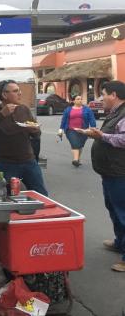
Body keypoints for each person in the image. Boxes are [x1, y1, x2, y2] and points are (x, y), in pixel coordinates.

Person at [76, 81, 125, 272]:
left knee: (122, 212)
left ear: (114, 94)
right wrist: (96, 134)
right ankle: (120, 242)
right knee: (113, 209)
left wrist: (101, 136)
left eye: (103, 94)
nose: (100, 98)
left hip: (119, 172)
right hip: (110, 171)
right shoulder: (115, 112)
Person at [0, 80, 48, 195]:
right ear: (4, 95)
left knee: (41, 194)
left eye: (19, 90)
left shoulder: (23, 109)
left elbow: (36, 133)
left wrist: (35, 130)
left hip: (28, 160)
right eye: (16, 91)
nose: (20, 94)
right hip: (7, 163)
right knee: (8, 196)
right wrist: (2, 114)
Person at [58, 95, 96, 167]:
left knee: (80, 145)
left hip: (83, 130)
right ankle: (75, 159)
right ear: (74, 101)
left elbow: (92, 119)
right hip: (70, 130)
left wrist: (93, 128)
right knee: (75, 143)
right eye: (78, 99)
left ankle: (78, 159)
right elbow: (63, 120)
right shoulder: (68, 109)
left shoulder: (87, 109)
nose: (80, 100)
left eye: (81, 99)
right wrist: (60, 130)